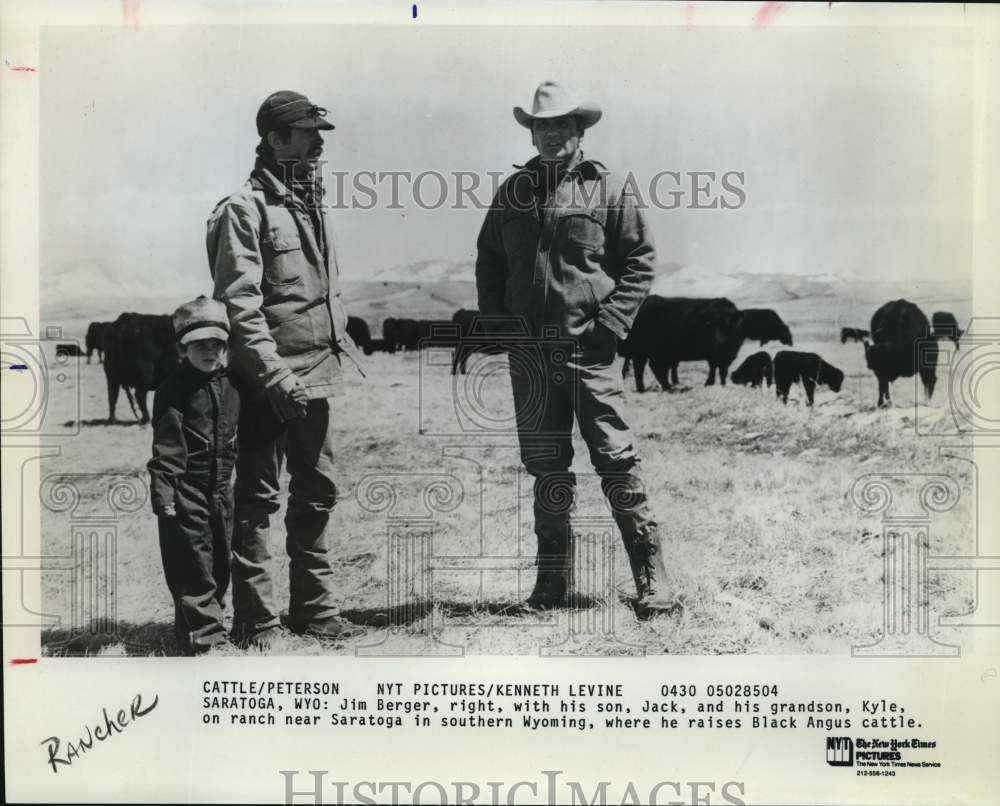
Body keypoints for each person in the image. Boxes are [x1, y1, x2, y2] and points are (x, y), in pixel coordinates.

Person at [475, 81, 680, 617]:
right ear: (533, 131)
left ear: (579, 130)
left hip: (589, 353)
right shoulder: (513, 193)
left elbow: (640, 261)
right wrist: (500, 325)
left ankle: (653, 579)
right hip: (532, 358)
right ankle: (551, 584)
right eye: (542, 126)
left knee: (616, 460)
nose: (550, 135)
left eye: (561, 125)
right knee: (548, 469)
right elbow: (490, 261)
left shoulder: (610, 190)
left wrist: (609, 324)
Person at [206, 90, 364, 648]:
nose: (319, 144)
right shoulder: (242, 210)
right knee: (258, 500)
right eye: (306, 133)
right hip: (268, 383)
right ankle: (258, 621)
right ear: (275, 140)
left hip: (317, 375)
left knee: (317, 492)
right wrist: (275, 378)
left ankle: (315, 611)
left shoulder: (309, 203)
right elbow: (239, 305)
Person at [148, 296, 240, 655]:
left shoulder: (233, 386)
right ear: (181, 348)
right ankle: (205, 639)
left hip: (221, 489)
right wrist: (164, 492)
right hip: (186, 489)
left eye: (216, 343)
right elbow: (167, 447)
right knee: (192, 563)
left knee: (219, 561)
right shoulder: (172, 390)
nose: (209, 350)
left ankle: (195, 627)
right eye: (199, 343)